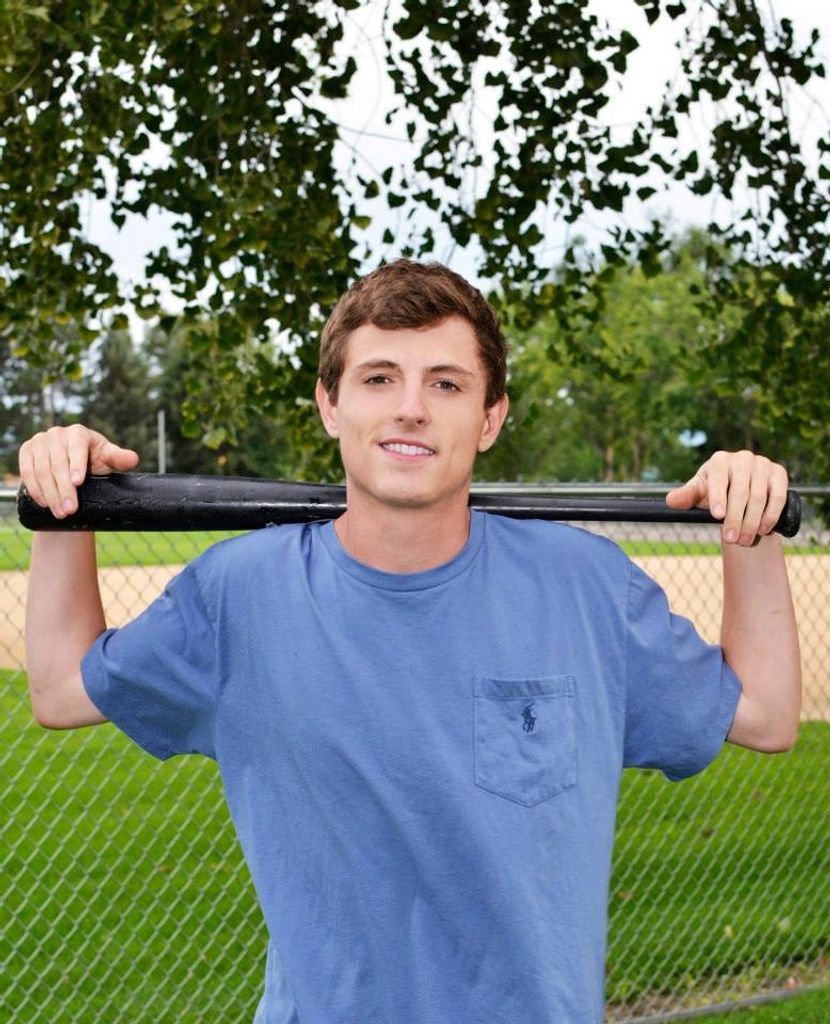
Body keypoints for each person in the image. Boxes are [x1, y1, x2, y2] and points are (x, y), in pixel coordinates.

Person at [20, 260, 801, 1023]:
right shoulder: (238, 596)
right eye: (379, 378)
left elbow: (766, 715)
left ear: (490, 418)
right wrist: (61, 504)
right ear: (330, 405)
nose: (411, 409)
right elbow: (59, 689)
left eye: (447, 384)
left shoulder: (586, 587)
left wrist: (751, 525)